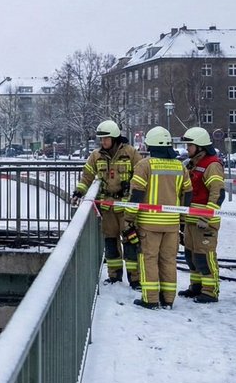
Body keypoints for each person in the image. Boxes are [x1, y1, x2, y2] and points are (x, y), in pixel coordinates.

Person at [72, 120, 143, 287]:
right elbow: (87, 176)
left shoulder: (130, 153)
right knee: (110, 242)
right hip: (107, 206)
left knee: (130, 242)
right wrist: (79, 191)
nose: (103, 142)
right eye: (101, 139)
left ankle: (135, 278)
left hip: (127, 207)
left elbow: (142, 175)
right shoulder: (96, 155)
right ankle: (114, 276)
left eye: (106, 139)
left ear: (115, 138)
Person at [127, 126, 191, 309]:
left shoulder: (144, 165)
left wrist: (129, 218)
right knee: (169, 261)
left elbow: (137, 194)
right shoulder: (180, 166)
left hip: (149, 224)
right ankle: (168, 299)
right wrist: (183, 220)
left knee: (149, 260)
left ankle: (151, 299)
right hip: (171, 225)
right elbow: (188, 194)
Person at [180, 127, 224, 303]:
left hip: (204, 222)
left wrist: (207, 216)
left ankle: (210, 291)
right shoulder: (192, 163)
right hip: (191, 221)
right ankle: (196, 287)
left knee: (204, 256)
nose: (187, 148)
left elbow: (217, 193)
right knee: (191, 256)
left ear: (200, 146)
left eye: (190, 145)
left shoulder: (212, 165)